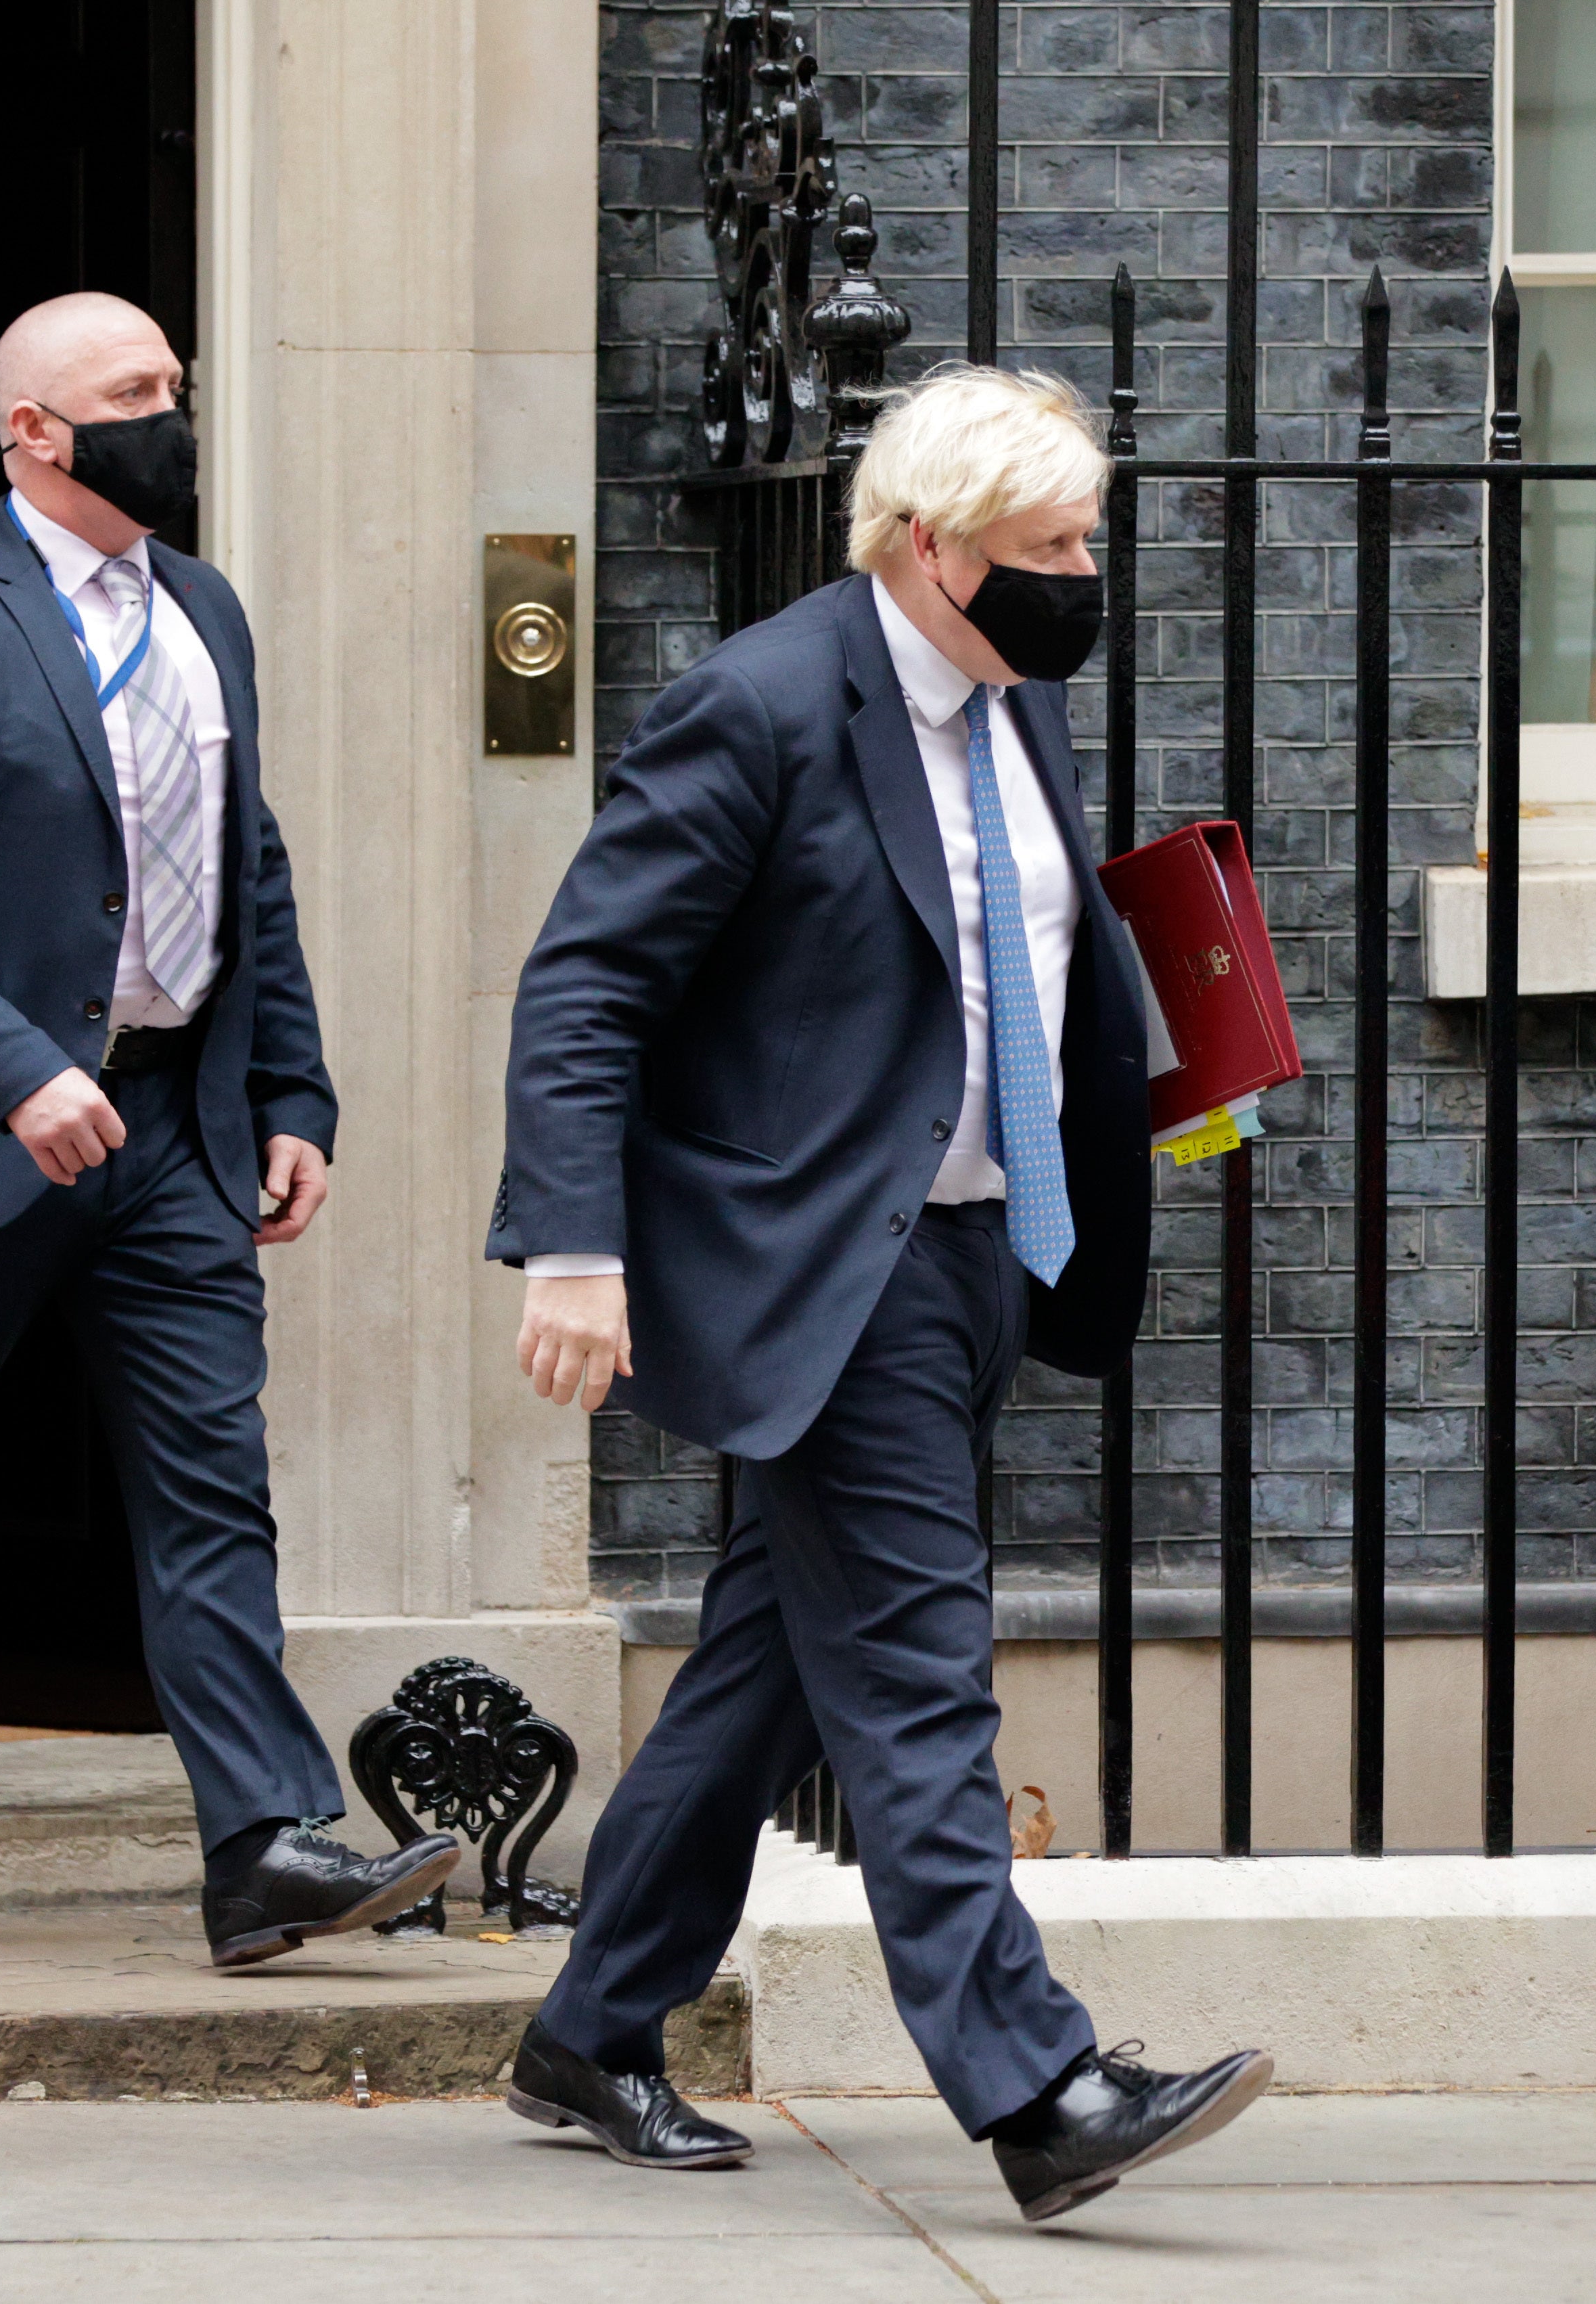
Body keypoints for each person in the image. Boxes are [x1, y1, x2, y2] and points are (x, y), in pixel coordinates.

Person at [488, 367, 1271, 2220]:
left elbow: (1010, 963)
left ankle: (591, 2026)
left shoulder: (1018, 704)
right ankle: (1036, 2082)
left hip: (980, 1244)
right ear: (928, 547)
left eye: (1087, 539)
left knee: (766, 1668)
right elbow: (583, 988)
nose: (1086, 574)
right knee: (919, 1679)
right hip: (827, 1268)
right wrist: (576, 1251)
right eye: (1052, 546)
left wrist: (1172, 1061)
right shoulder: (755, 707)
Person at [0, 291, 459, 1967]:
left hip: (172, 1132)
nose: (172, 410)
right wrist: (15, 1068)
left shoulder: (201, 607)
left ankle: (262, 1847)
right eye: (134, 390)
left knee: (214, 1493)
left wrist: (291, 1091)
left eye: (177, 383)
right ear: (34, 435)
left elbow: (248, 869)